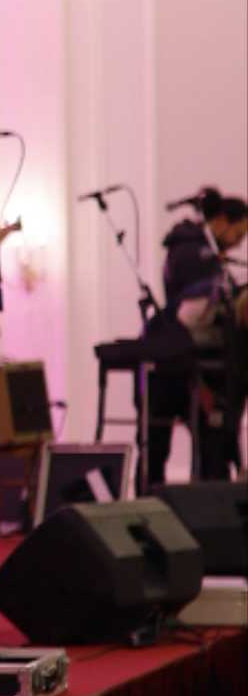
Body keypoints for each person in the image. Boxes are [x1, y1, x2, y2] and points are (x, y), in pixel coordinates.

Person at [148, 188, 248, 482]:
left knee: (210, 443)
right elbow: (190, 311)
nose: (239, 243)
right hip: (178, 358)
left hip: (197, 356)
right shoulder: (195, 255)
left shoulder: (200, 255)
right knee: (161, 445)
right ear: (220, 222)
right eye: (239, 234)